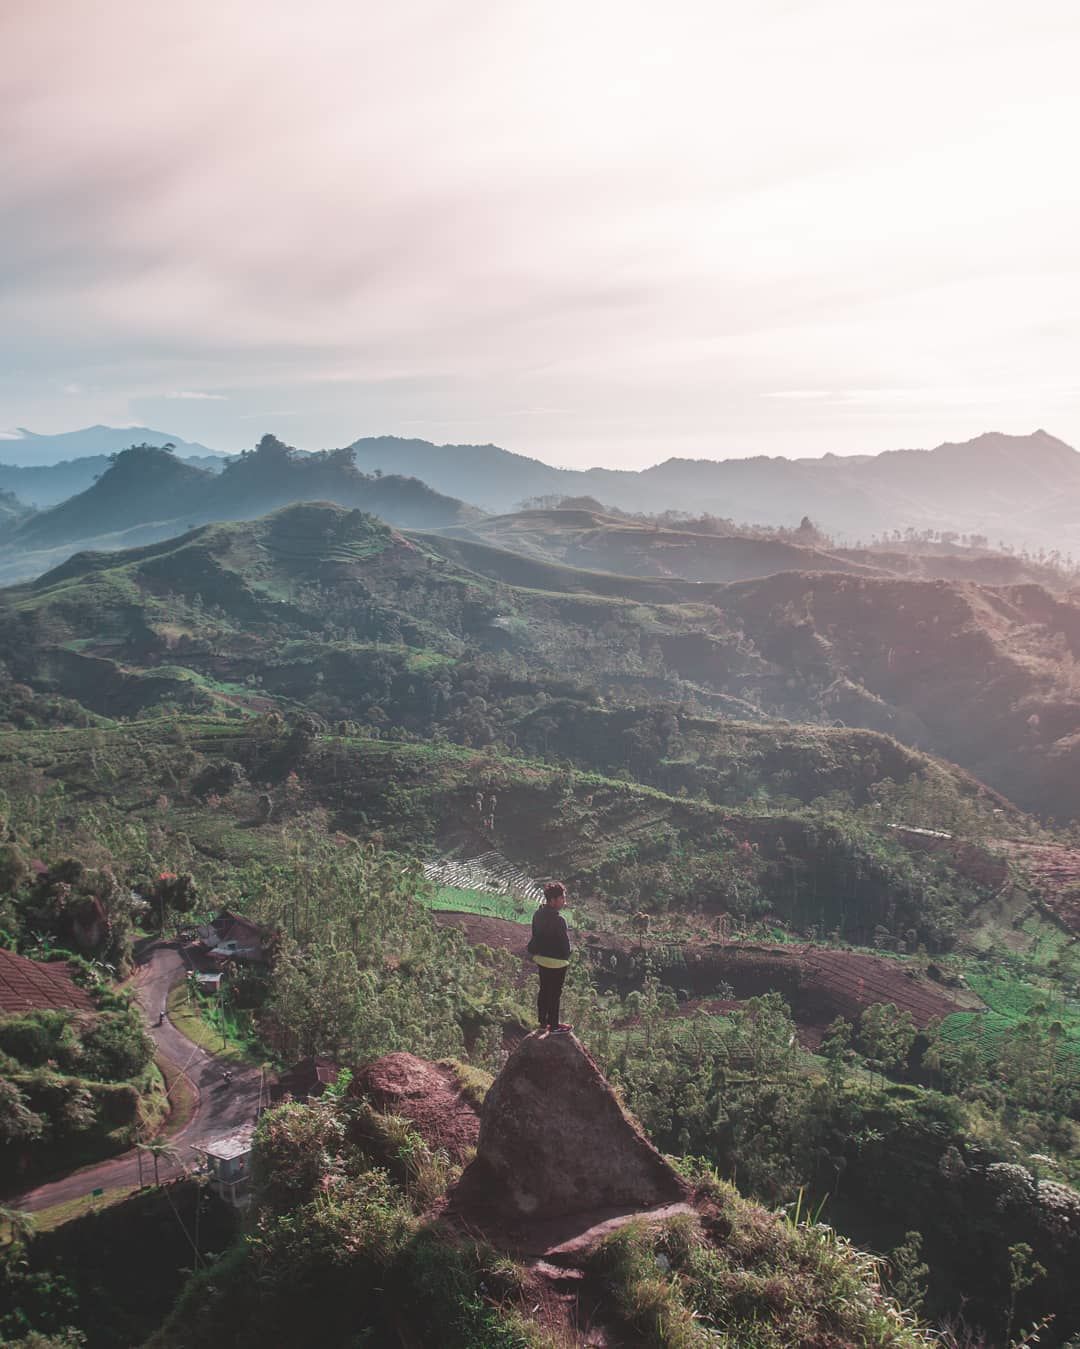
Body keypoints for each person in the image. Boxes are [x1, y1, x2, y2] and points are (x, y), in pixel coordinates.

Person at [528, 881, 572, 1033]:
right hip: (558, 962)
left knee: (544, 989)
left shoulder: (537, 914)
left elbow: (535, 935)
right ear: (552, 900)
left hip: (541, 959)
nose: (564, 901)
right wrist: (568, 956)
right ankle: (553, 1026)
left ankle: (542, 1022)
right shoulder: (560, 920)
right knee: (555, 993)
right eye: (562, 898)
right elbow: (565, 945)